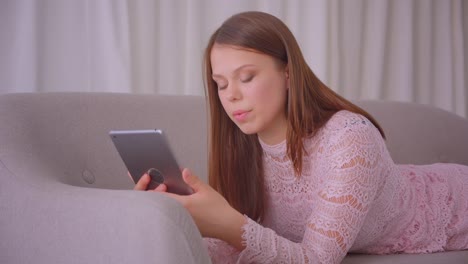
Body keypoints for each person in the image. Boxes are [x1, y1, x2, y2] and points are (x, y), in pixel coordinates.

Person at [134, 11, 468, 263]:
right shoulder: (245, 150)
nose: (230, 95)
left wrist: (227, 223)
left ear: (288, 74)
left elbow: (317, 258)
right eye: (220, 84)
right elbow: (227, 248)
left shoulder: (350, 138)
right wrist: (170, 217)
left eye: (246, 77)